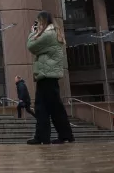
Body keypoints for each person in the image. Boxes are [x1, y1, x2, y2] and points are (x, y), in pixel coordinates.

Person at [26, 11, 74, 145]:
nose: (37, 25)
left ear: (43, 21)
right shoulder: (53, 32)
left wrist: (32, 32)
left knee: (44, 107)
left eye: (38, 22)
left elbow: (31, 46)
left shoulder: (48, 34)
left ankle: (45, 137)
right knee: (51, 107)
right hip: (48, 74)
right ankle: (61, 135)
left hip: (47, 74)